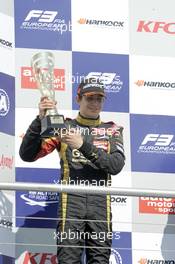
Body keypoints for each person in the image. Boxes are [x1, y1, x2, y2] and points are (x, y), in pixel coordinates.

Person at [19, 77, 125, 264]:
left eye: (99, 99)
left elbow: (115, 166)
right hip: (71, 208)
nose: (94, 103)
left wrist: (82, 145)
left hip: (100, 208)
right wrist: (39, 120)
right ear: (78, 99)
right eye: (89, 98)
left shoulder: (112, 130)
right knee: (68, 261)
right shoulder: (63, 127)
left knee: (100, 261)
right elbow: (27, 155)